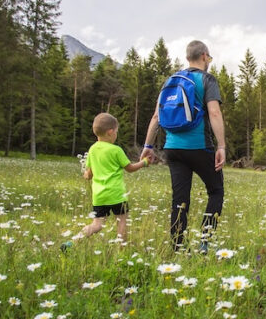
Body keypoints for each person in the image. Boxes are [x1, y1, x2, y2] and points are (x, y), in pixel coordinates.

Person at [140, 40, 225, 254]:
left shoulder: (171, 81)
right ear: (204, 56)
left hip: (172, 148)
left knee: (180, 199)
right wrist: (221, 145)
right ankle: (205, 242)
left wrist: (148, 145)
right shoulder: (206, 79)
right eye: (209, 58)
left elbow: (157, 116)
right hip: (199, 147)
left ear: (188, 57)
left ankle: (177, 246)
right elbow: (214, 113)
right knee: (216, 191)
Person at [82, 113, 150, 241]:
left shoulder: (92, 149)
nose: (116, 134)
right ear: (110, 132)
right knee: (122, 220)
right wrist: (144, 163)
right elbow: (130, 168)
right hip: (116, 194)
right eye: (116, 132)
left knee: (97, 225)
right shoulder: (116, 150)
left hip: (99, 195)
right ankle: (122, 251)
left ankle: (75, 239)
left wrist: (85, 175)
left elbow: (89, 174)